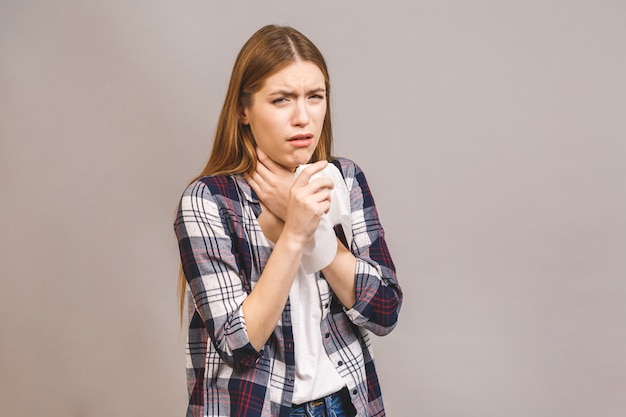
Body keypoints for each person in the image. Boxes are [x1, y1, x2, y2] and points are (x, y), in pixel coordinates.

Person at [174, 24, 402, 417]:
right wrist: (294, 232)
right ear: (243, 110)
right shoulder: (209, 200)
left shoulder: (344, 180)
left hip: (346, 404)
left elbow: (384, 311)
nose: (303, 117)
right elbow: (237, 344)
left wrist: (317, 236)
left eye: (315, 97)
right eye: (281, 100)